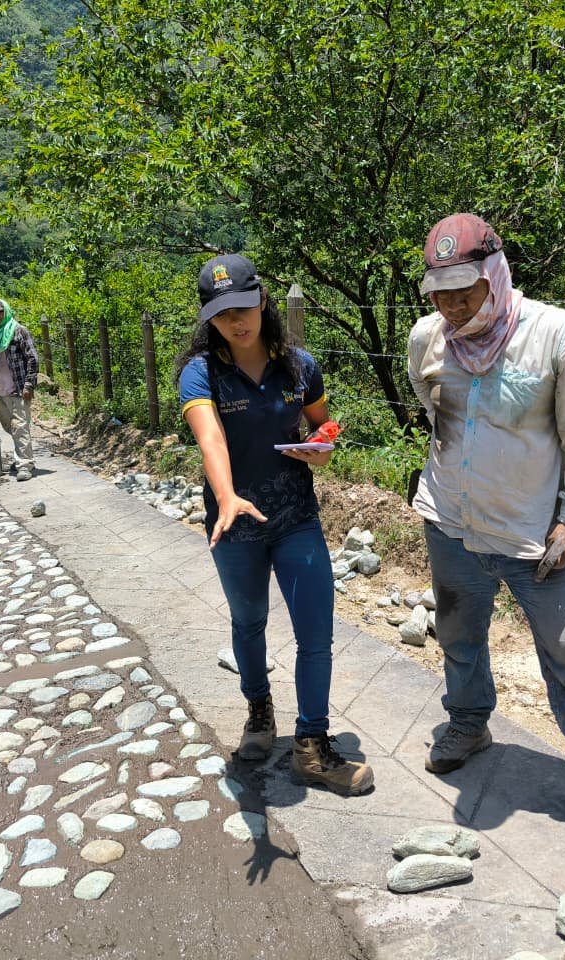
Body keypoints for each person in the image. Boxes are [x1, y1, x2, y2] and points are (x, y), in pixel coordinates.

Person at [407, 213, 565, 847]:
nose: (452, 306)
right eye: (439, 292)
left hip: (536, 535)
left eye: (464, 290)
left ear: (495, 275)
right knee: (457, 633)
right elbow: (433, 413)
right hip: (450, 520)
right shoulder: (427, 337)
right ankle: (470, 722)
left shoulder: (557, 335)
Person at [177, 253, 373, 797]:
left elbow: (323, 423)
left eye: (244, 306)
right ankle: (259, 711)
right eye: (221, 313)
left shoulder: (301, 366)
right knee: (249, 622)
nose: (236, 321)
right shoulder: (201, 373)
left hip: (295, 517)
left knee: (316, 632)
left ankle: (311, 743)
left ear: (262, 301)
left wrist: (324, 445)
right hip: (233, 522)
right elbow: (210, 437)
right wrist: (227, 496)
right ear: (208, 318)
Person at [0, 298, 39, 481]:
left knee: (20, 426)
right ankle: (22, 457)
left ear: (6, 312)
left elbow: (33, 359)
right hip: (1, 390)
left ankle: (24, 465)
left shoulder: (19, 331)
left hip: (19, 388)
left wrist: (29, 384)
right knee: (8, 425)